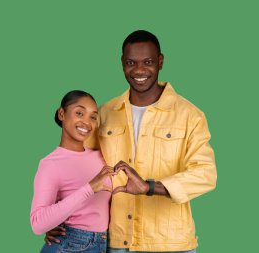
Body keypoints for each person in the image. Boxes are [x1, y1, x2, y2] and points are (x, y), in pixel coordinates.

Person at [46, 30, 217, 253]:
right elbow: (80, 166)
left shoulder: (189, 115)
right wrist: (58, 217)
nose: (139, 70)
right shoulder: (104, 113)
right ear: (122, 64)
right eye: (130, 62)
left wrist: (149, 187)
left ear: (161, 61)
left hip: (170, 244)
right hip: (116, 241)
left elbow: (205, 174)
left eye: (147, 62)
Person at [30, 90, 114, 253]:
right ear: (62, 114)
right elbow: (38, 223)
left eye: (93, 117)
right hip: (70, 246)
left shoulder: (102, 156)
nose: (86, 122)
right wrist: (89, 188)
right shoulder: (50, 164)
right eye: (79, 113)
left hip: (106, 244)